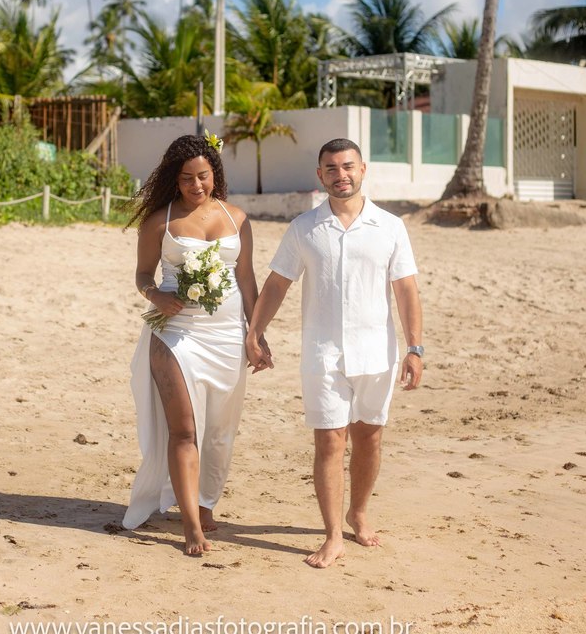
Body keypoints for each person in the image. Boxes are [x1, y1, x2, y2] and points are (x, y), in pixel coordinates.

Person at [245, 138, 423, 568]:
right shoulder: (304, 228)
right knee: (328, 441)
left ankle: (358, 513)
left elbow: (406, 290)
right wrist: (256, 332)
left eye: (347, 166)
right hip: (322, 355)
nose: (340, 174)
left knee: (369, 438)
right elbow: (276, 284)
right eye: (331, 168)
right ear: (320, 175)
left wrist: (415, 348)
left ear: (363, 169)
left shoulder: (391, 226)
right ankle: (331, 535)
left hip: (377, 354)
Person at [122, 132, 267, 555]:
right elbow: (142, 275)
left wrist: (256, 334)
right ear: (175, 178)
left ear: (214, 174)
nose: (196, 186)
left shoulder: (237, 218)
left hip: (226, 337)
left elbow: (246, 279)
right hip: (175, 334)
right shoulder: (159, 222)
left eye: (203, 176)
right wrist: (155, 295)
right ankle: (190, 526)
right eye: (187, 178)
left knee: (220, 431)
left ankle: (204, 504)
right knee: (184, 432)